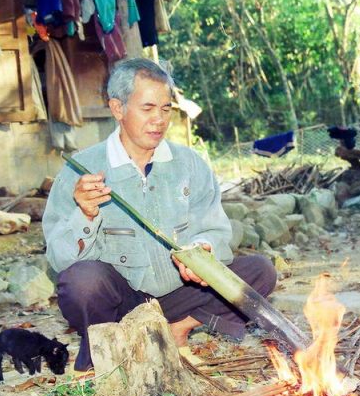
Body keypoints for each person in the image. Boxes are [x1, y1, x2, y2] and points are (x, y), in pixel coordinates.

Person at [42, 58, 277, 373]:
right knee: (81, 281)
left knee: (259, 271)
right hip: (121, 306)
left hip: (178, 299)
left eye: (166, 109)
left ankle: (176, 331)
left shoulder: (189, 164)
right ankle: (111, 346)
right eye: (148, 108)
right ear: (118, 108)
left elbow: (215, 230)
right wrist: (85, 214)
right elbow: (60, 259)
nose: (159, 120)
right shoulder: (81, 171)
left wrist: (202, 250)